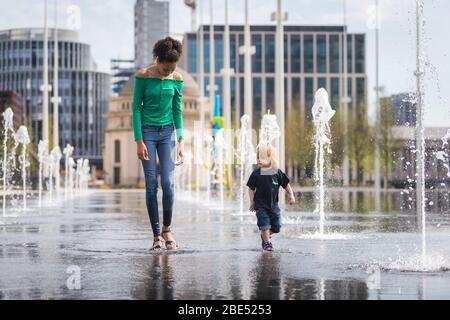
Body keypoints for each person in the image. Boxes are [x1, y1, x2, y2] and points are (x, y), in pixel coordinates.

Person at [132, 37, 185, 251]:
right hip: (147, 132)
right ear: (158, 60)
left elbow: (177, 111)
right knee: (152, 184)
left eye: (171, 69)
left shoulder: (177, 79)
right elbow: (136, 108)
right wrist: (139, 140)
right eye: (165, 68)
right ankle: (156, 236)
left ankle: (167, 228)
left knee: (169, 184)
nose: (168, 73)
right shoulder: (143, 77)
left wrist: (181, 141)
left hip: (167, 134)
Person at [247, 144, 296, 251]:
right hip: (261, 206)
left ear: (272, 158)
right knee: (264, 225)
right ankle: (267, 242)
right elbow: (250, 188)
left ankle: (265, 236)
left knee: (277, 227)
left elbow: (286, 185)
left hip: (274, 206)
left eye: (265, 157)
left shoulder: (277, 173)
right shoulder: (256, 174)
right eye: (260, 157)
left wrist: (291, 195)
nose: (262, 159)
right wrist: (252, 201)